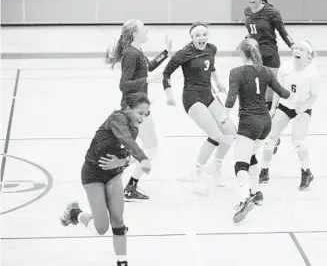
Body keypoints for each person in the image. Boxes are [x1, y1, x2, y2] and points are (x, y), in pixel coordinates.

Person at [60, 93, 153, 266]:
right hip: (92, 174)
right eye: (140, 112)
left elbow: (126, 152)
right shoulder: (117, 118)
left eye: (146, 114)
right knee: (100, 229)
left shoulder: (134, 129)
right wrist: (143, 158)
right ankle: (75, 213)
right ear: (128, 109)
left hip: (113, 174)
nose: (143, 117)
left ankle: (122, 262)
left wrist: (123, 161)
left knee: (118, 220)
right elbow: (124, 138)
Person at [220, 38, 293, 223]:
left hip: (249, 122)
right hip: (265, 122)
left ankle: (244, 199)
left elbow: (231, 98)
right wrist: (297, 95)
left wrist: (224, 114)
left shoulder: (236, 72)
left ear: (242, 54)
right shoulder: (266, 71)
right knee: (251, 155)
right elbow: (284, 93)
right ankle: (255, 191)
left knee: (240, 163)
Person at [163, 22, 236, 193]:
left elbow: (211, 66)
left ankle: (215, 168)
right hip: (191, 97)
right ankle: (197, 172)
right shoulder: (184, 53)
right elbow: (166, 73)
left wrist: (217, 82)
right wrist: (169, 94)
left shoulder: (211, 49)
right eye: (197, 35)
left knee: (230, 132)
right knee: (215, 135)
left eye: (204, 34)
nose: (201, 37)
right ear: (192, 37)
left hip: (208, 95)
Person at [105, 19, 172, 200]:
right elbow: (123, 85)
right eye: (143, 28)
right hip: (133, 110)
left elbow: (147, 67)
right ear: (135, 33)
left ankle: (126, 182)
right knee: (149, 148)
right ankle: (118, 176)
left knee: (149, 147)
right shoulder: (130, 54)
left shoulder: (136, 51)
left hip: (138, 108)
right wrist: (147, 81)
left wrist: (165, 53)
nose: (147, 29)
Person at [244, 0, 296, 182]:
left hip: (270, 58)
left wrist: (293, 46)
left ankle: (271, 138)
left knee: (267, 100)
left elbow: (282, 32)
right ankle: (268, 136)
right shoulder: (247, 12)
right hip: (255, 57)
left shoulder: (272, 12)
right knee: (257, 97)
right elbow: (251, 33)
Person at [262, 40, 320, 191]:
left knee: (298, 140)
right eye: (296, 49)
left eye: (302, 50)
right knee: (269, 138)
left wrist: (304, 107)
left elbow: (314, 96)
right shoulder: (286, 67)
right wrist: (273, 109)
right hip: (285, 106)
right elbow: (277, 90)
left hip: (302, 108)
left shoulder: (312, 73)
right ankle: (264, 170)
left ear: (308, 55)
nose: (297, 51)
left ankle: (306, 172)